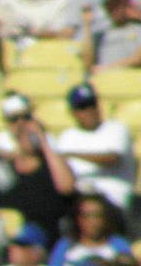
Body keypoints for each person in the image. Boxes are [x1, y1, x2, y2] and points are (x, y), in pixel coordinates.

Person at [0, 113, 78, 240]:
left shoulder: (52, 166)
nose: (30, 137)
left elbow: (67, 187)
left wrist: (44, 142)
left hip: (49, 235)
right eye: (25, 133)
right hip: (15, 237)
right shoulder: (5, 165)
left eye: (34, 133)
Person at [54, 82, 135, 213]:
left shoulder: (116, 129)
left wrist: (71, 154)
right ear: (73, 112)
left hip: (115, 202)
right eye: (83, 107)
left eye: (92, 104)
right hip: (80, 203)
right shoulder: (67, 137)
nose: (90, 111)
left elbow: (112, 158)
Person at [94, 0, 141, 70]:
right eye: (110, 5)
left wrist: (107, 68)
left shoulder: (137, 28)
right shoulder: (100, 35)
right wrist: (86, 24)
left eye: (118, 4)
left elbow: (138, 59)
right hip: (104, 80)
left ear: (126, 3)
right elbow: (88, 63)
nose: (115, 9)